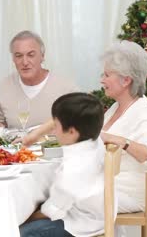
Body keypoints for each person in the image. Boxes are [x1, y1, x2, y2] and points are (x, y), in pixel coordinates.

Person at [22, 40, 147, 214]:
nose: (101, 80)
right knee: (40, 196)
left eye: (106, 75)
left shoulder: (144, 113)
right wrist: (38, 134)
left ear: (126, 80)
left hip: (124, 194)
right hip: (100, 186)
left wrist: (120, 141)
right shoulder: (116, 108)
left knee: (44, 204)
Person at [20, 92, 106, 237]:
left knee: (16, 231)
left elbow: (51, 211)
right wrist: (37, 133)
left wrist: (22, 220)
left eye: (56, 126)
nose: (53, 129)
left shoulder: (73, 170)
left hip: (79, 225)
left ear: (72, 131)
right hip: (96, 215)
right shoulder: (95, 140)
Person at [0, 30, 78, 129]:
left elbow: (80, 127)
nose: (25, 62)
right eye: (18, 56)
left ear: (42, 56)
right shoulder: (5, 86)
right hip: (16, 144)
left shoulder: (66, 88)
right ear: (13, 59)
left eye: (31, 55)